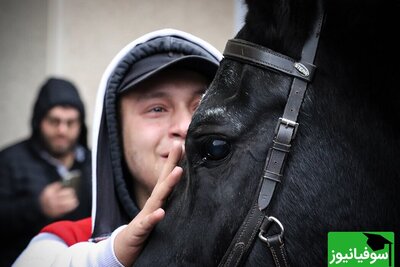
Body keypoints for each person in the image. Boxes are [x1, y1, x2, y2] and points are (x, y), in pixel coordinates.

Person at [13, 28, 222, 266]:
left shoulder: (262, 235)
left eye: (200, 106)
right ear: (115, 136)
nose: (185, 126)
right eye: (157, 109)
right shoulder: (66, 242)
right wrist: (112, 255)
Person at [0, 77, 92, 266]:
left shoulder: (94, 162)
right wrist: (38, 207)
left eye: (70, 122)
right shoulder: (10, 160)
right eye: (54, 121)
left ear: (80, 125)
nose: (62, 130)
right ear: (39, 120)